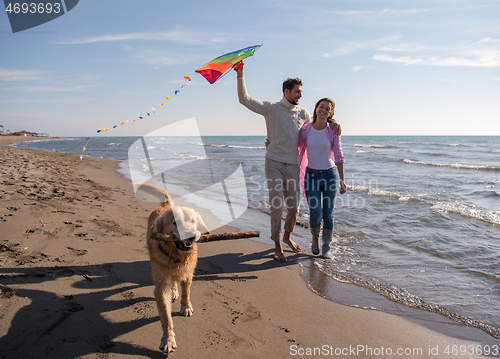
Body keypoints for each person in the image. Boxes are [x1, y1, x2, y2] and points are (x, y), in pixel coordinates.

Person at [234, 61, 340, 262]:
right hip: (273, 162)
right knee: (277, 205)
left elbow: (316, 131)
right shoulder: (270, 108)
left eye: (301, 92)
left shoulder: (303, 113)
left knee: (294, 207)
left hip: (293, 164)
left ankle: (287, 236)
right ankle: (276, 244)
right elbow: (244, 99)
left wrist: (333, 122)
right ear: (286, 91)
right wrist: (240, 75)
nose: (300, 95)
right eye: (297, 92)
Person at [298, 98, 346, 259]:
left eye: (328, 108)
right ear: (316, 108)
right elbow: (294, 145)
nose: (323, 110)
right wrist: (273, 144)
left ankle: (326, 247)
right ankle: (314, 239)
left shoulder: (333, 129)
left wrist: (342, 179)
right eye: (321, 106)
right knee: (316, 212)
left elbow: (339, 155)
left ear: (331, 113)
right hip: (311, 175)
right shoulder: (306, 130)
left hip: (330, 175)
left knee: (328, 213)